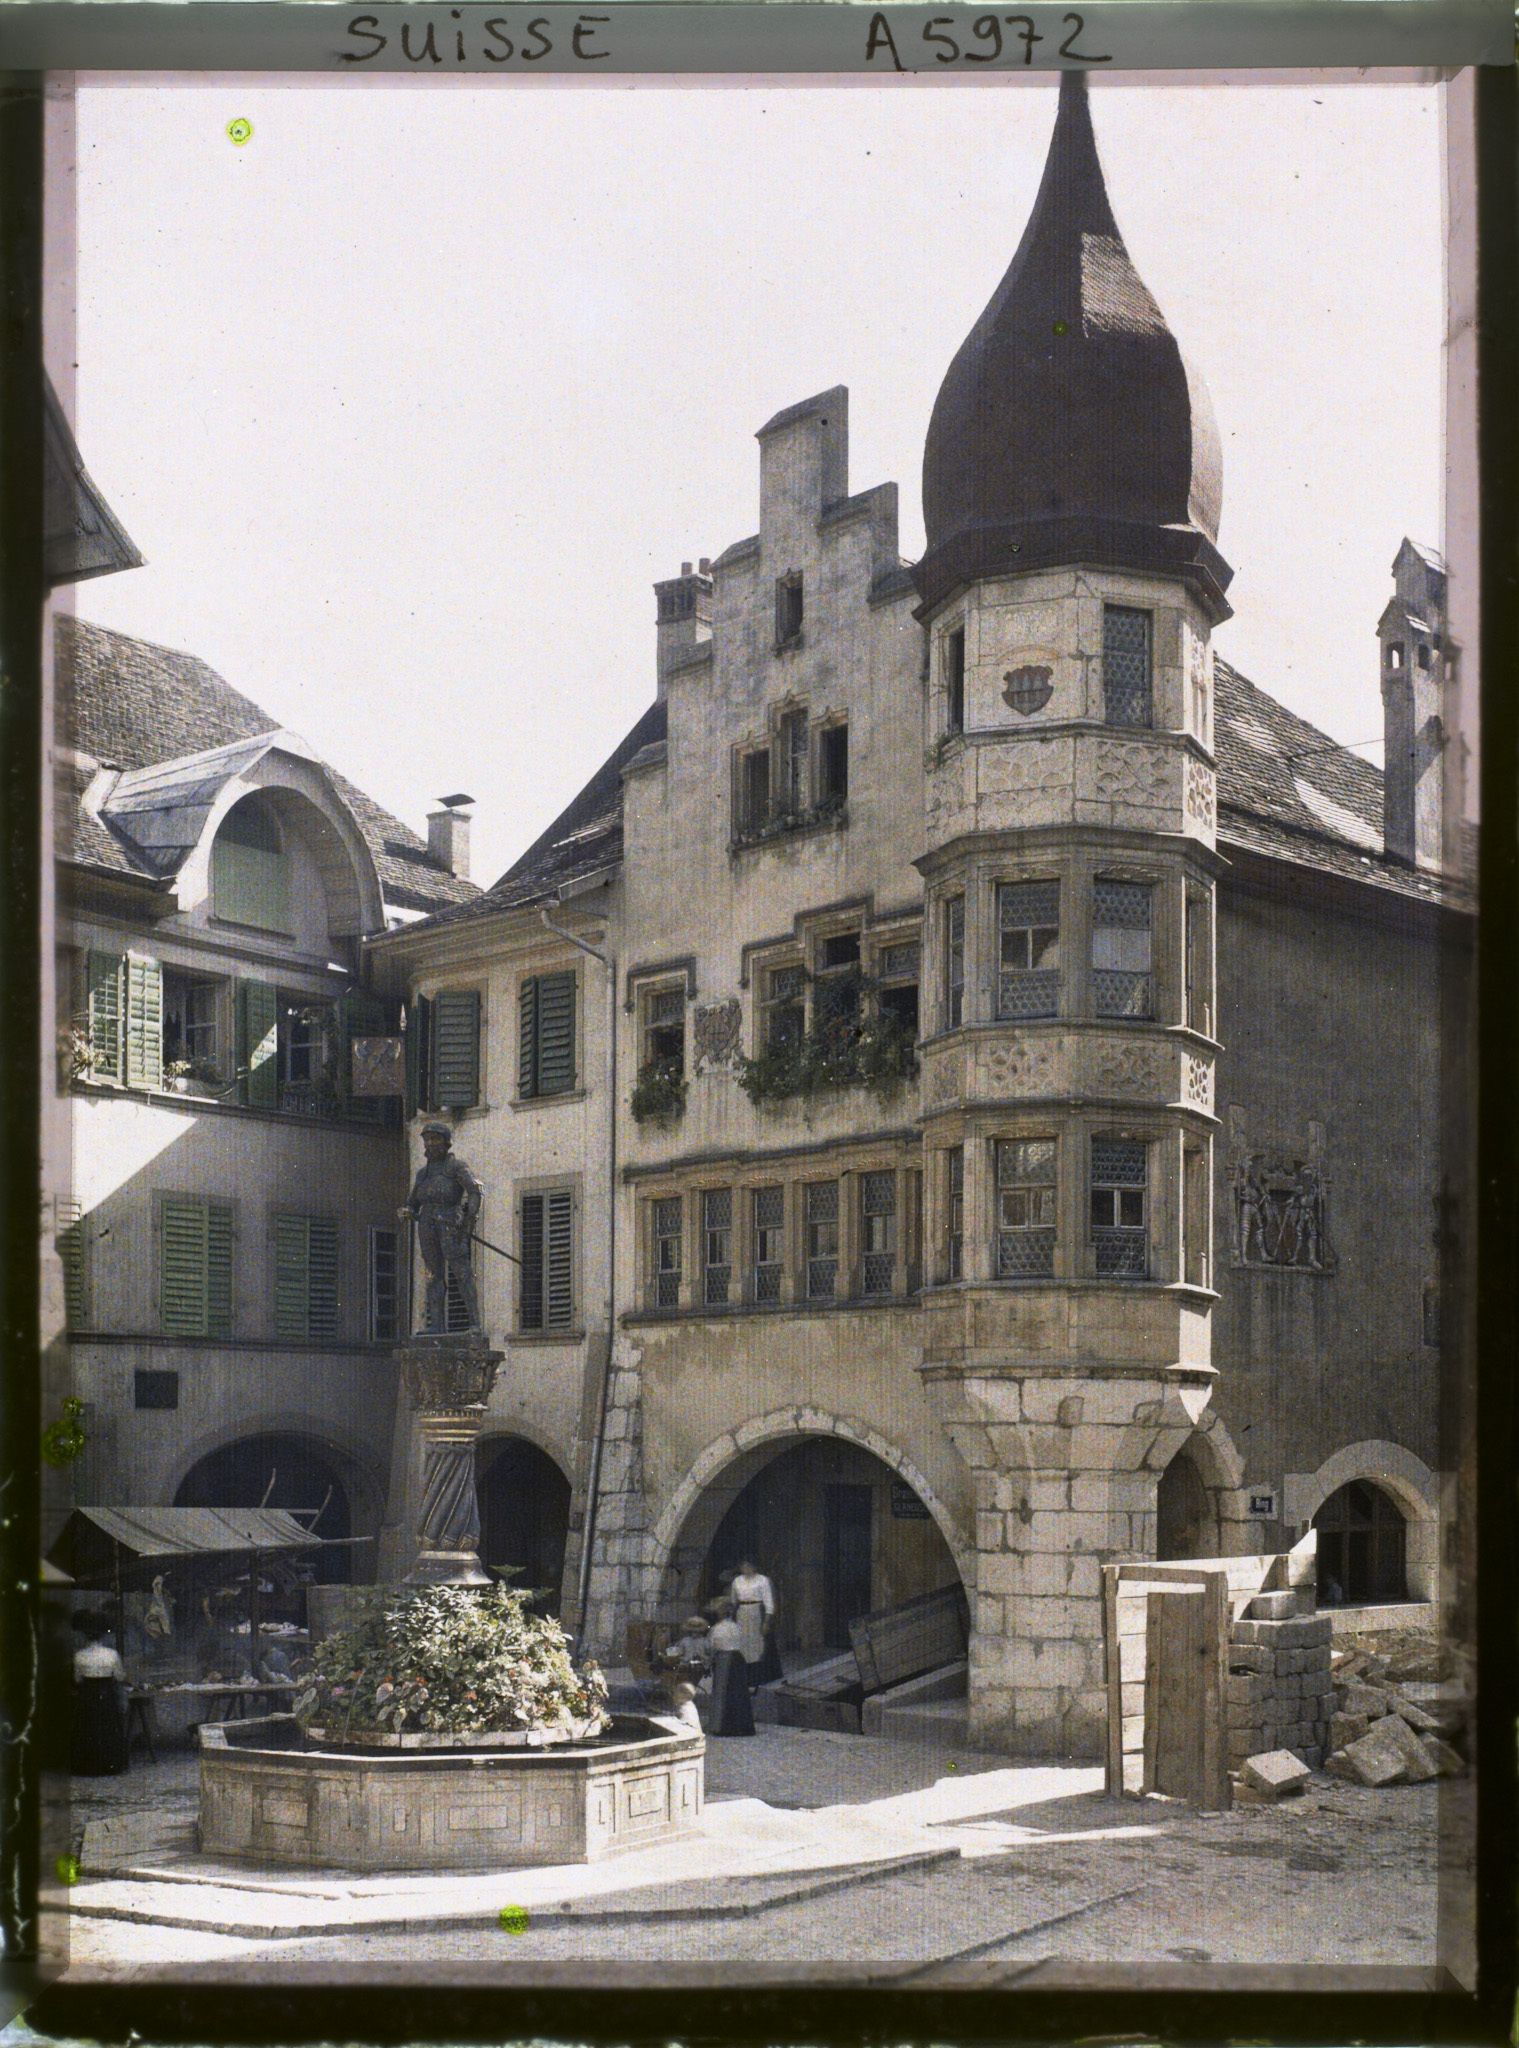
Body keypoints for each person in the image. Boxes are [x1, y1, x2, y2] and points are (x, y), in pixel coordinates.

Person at [400, 1120, 482, 1332]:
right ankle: (436, 1325)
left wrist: (468, 1221)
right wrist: (407, 1210)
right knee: (432, 1275)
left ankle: (474, 1323)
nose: (430, 1144)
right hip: (427, 1225)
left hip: (450, 1223)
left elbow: (474, 1191)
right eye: (427, 1139)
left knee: (462, 1273)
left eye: (435, 1139)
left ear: (446, 1143)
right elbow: (413, 1201)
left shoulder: (456, 1167)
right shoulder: (422, 1174)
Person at [71, 1616, 129, 1776]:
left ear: (85, 1636)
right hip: (107, 1695)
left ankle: (88, 1766)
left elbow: (77, 1679)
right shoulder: (112, 1654)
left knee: (88, 1729)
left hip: (87, 1695)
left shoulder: (79, 1655)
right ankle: (110, 1765)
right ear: (103, 1636)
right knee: (108, 1729)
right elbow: (119, 1676)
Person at [705, 1600, 755, 1737]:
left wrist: (708, 1662)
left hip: (723, 1659)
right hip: (738, 1658)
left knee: (722, 1691)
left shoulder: (717, 1628)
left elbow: (712, 1646)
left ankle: (721, 1726)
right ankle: (742, 1726)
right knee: (739, 1692)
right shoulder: (737, 1627)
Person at [731, 1557, 781, 1690]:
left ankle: (759, 1677)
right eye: (743, 1566)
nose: (745, 1568)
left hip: (757, 1612)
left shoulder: (762, 1580)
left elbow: (769, 1603)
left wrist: (766, 1622)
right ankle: (745, 1678)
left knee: (757, 1646)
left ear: (754, 1566)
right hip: (742, 1613)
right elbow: (733, 1601)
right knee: (743, 1645)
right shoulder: (737, 1581)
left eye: (748, 1565)